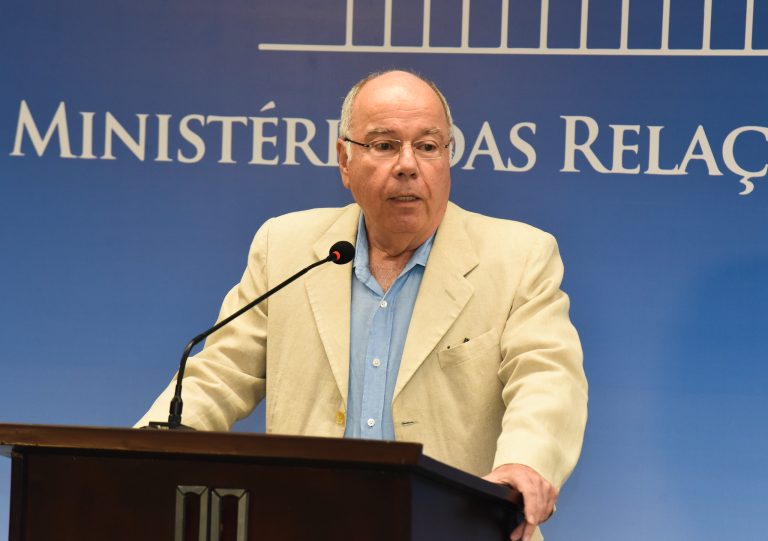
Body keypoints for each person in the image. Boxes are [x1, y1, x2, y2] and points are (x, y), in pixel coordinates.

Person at [137, 70, 587, 541]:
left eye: (428, 146)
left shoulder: (518, 257)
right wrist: (142, 455)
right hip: (307, 525)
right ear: (344, 160)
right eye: (385, 145)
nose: (408, 165)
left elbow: (547, 377)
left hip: (457, 528)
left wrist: (525, 462)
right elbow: (221, 374)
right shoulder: (287, 247)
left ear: (448, 156)